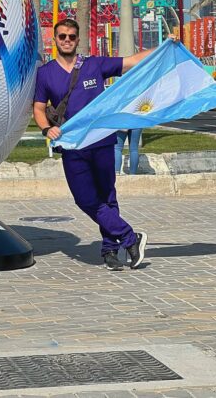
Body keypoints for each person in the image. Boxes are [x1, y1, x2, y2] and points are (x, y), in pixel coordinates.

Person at [33, 18, 167, 272]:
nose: (67, 41)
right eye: (62, 36)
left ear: (78, 38)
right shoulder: (46, 74)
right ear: (55, 39)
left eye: (72, 36)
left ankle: (110, 251)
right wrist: (46, 129)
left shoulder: (94, 64)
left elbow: (132, 61)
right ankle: (130, 237)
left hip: (102, 142)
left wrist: (165, 47)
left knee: (107, 196)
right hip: (72, 146)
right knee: (84, 199)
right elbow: (38, 108)